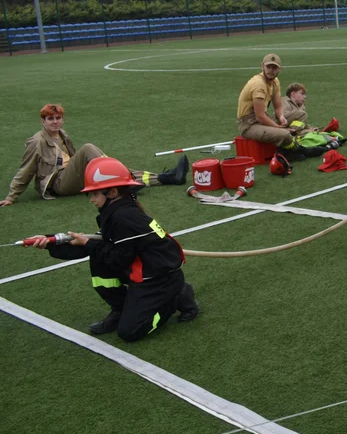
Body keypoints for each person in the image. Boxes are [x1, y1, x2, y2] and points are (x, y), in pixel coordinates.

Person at [25, 156, 200, 339]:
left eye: (94, 194)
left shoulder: (124, 218)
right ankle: (120, 309)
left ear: (113, 192)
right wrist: (49, 241)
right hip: (145, 269)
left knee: (130, 332)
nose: (91, 200)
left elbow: (118, 259)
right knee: (99, 256)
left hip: (158, 279)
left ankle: (175, 298)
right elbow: (94, 246)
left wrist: (89, 244)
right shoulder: (117, 212)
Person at [2, 104, 188, 208]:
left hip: (72, 176)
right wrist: (12, 196)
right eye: (51, 119)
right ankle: (124, 182)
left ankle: (168, 178)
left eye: (58, 118)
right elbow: (26, 169)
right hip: (59, 183)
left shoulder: (62, 134)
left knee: (116, 169)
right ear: (43, 121)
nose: (55, 122)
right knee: (92, 151)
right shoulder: (37, 141)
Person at [236, 54, 321, 160]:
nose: (271, 70)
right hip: (249, 125)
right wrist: (277, 127)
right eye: (268, 67)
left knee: (301, 115)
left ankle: (293, 135)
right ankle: (294, 150)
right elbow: (260, 116)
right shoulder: (258, 85)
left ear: (279, 69)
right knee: (285, 134)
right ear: (262, 66)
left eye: (274, 68)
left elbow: (278, 106)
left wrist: (281, 117)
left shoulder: (274, 82)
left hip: (263, 119)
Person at [282, 82, 346, 149]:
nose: (305, 97)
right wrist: (300, 111)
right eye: (302, 93)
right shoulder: (284, 102)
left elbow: (300, 123)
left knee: (311, 132)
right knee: (306, 125)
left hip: (294, 131)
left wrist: (310, 128)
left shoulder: (299, 106)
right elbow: (283, 119)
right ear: (293, 94)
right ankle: (294, 137)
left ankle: (331, 139)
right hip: (285, 130)